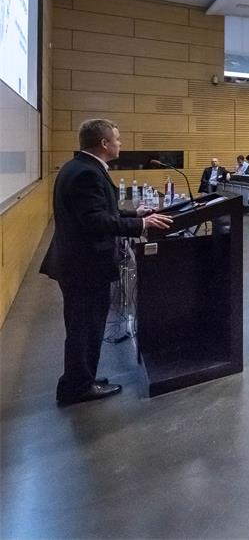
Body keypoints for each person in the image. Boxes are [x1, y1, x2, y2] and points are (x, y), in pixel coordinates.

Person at [41, 119, 174, 405]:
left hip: (79, 264)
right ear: (104, 143)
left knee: (85, 326)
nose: (120, 143)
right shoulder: (87, 174)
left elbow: (102, 210)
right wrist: (140, 225)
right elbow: (95, 221)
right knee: (84, 328)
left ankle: (82, 378)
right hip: (85, 267)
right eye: (117, 138)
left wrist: (134, 214)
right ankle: (77, 386)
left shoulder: (80, 168)